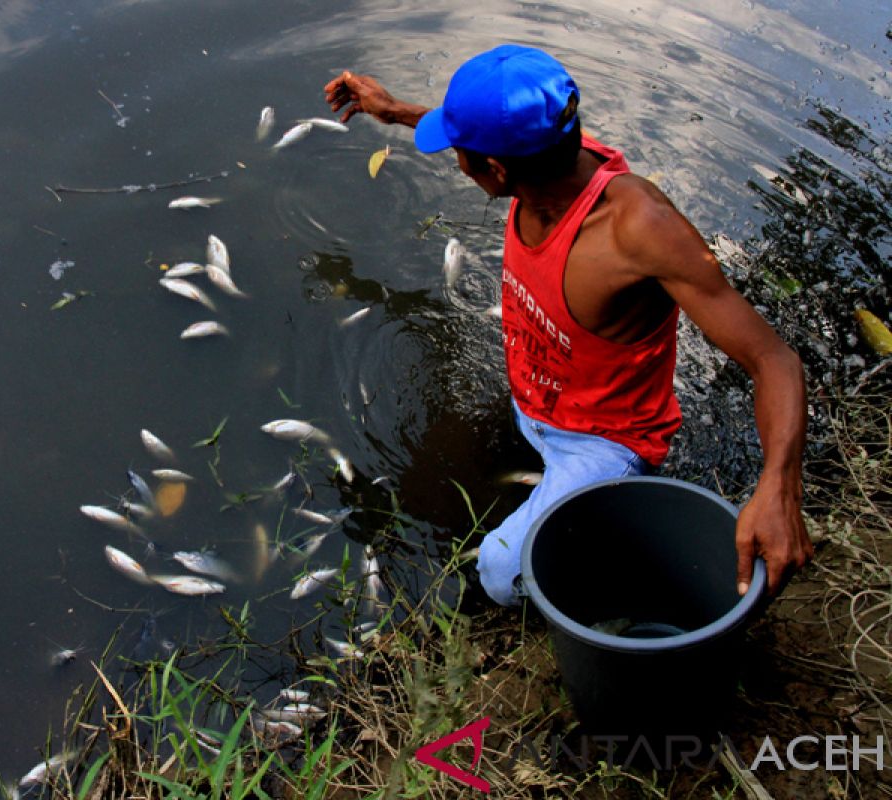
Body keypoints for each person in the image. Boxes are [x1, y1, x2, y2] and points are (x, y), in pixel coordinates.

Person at [324, 44, 813, 606]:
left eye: (460, 152)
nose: (458, 162)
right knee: (430, 485)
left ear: (497, 169)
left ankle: (610, 550)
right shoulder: (548, 157)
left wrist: (779, 484)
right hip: (534, 403)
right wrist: (394, 111)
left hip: (605, 444)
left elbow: (774, 359)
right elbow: (490, 135)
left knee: (500, 572)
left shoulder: (640, 230)